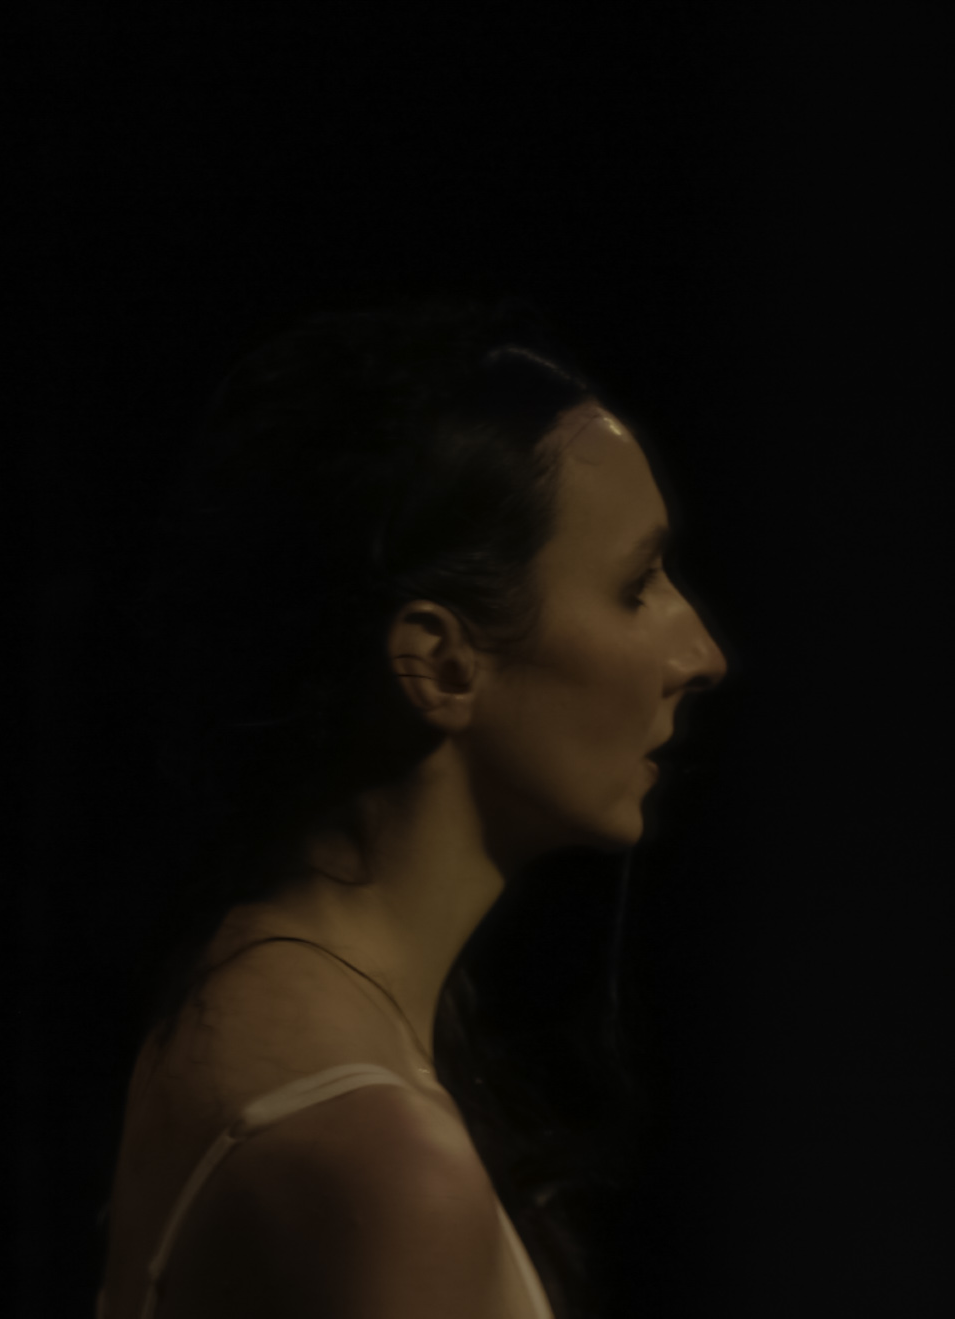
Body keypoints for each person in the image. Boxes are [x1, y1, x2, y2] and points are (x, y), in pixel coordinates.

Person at [96, 298, 727, 1319]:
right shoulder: (387, 1163)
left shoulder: (244, 984)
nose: (702, 653)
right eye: (636, 585)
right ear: (439, 662)